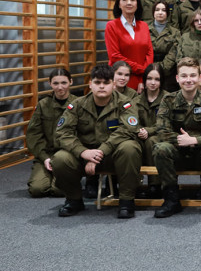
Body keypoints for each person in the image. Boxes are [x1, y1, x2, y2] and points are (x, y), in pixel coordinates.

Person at [52, 64, 142, 218]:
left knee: (130, 147)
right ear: (90, 84)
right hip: (84, 155)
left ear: (113, 85)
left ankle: (126, 200)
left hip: (113, 155)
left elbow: (128, 130)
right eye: (97, 82)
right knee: (60, 159)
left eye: (106, 83)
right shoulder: (77, 105)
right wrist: (83, 152)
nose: (102, 86)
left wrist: (101, 151)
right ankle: (74, 199)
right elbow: (62, 133)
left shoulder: (125, 103)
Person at [151, 57, 201, 217]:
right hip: (178, 153)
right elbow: (161, 130)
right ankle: (171, 200)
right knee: (160, 148)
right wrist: (182, 141)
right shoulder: (168, 100)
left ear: (199, 77)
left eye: (193, 75)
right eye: (184, 76)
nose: (189, 80)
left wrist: (195, 140)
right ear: (177, 78)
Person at [26, 67, 72, 197]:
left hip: (67, 155)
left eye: (64, 82)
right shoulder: (43, 104)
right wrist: (44, 158)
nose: (60, 87)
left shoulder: (78, 104)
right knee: (37, 189)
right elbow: (33, 134)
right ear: (50, 84)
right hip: (47, 154)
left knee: (59, 191)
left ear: (71, 82)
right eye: (56, 83)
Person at [104, 0, 153, 90]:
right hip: (121, 78)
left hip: (141, 79)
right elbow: (114, 56)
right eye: (124, 0)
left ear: (137, 4)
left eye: (132, 0)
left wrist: (142, 77)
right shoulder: (112, 26)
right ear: (119, 4)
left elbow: (149, 53)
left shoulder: (144, 26)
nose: (129, 3)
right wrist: (141, 69)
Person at [135, 63, 166, 198]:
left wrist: (148, 131)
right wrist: (139, 131)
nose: (153, 83)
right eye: (149, 79)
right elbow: (131, 121)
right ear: (144, 80)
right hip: (141, 135)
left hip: (162, 135)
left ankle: (155, 184)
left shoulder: (168, 98)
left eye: (157, 79)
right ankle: (134, 184)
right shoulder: (136, 100)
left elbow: (165, 123)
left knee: (151, 141)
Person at [163, 7, 201, 80]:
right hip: (188, 77)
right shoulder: (185, 38)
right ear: (193, 23)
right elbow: (179, 59)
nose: (199, 23)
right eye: (196, 20)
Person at [148, 0, 180, 83]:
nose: (160, 12)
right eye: (157, 10)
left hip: (168, 73)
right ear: (153, 12)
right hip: (147, 70)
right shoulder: (145, 29)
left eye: (163, 10)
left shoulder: (175, 32)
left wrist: (162, 69)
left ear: (168, 14)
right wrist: (149, 67)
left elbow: (174, 52)